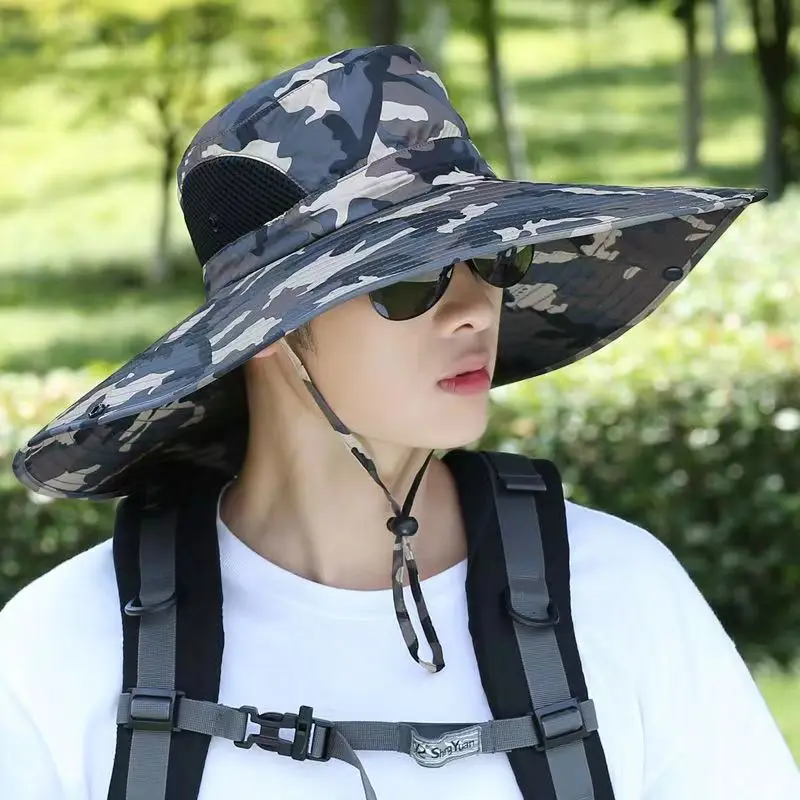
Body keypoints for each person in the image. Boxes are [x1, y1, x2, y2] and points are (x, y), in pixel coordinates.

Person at [1, 44, 798, 800]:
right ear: (269, 329)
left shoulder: (622, 597)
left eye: (493, 259)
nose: (473, 311)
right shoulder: (66, 648)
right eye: (409, 279)